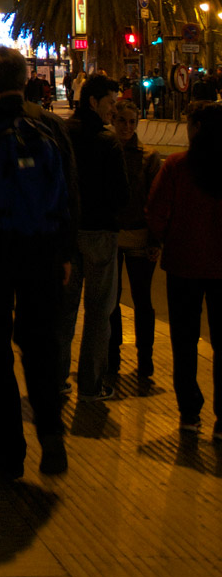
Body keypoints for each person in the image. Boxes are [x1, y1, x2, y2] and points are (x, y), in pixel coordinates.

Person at [0, 46, 78, 479]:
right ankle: (52, 436)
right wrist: (65, 253)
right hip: (42, 251)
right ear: (26, 80)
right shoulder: (51, 127)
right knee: (41, 346)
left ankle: (9, 446)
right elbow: (70, 196)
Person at [147, 100, 222, 437]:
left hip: (183, 266)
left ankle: (189, 414)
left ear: (198, 130)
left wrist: (160, 238)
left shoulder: (177, 166)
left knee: (185, 342)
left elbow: (157, 211)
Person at [59, 74, 128, 402]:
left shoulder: (64, 134)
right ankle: (91, 383)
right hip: (100, 234)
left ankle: (58, 379)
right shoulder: (107, 141)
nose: (113, 110)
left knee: (67, 307)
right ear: (93, 102)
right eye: (110, 103)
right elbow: (120, 193)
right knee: (99, 310)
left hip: (69, 232)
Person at [107, 100, 161, 383]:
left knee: (142, 300)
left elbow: (155, 200)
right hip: (113, 236)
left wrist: (155, 239)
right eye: (122, 121)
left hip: (139, 235)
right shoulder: (106, 151)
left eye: (132, 122)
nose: (127, 127)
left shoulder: (148, 157)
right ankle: (112, 357)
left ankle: (145, 358)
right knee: (112, 301)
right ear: (113, 120)